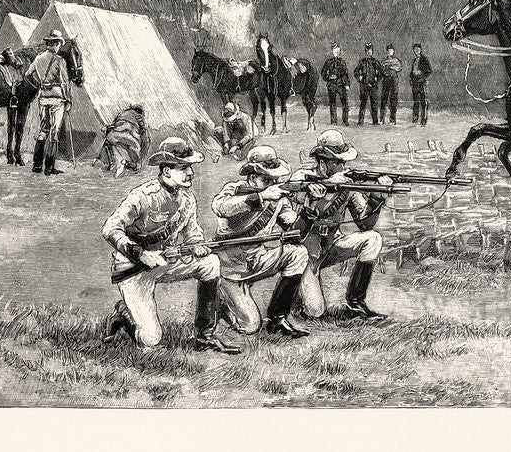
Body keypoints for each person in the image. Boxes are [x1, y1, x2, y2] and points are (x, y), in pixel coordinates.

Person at [99, 137, 241, 354]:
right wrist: (140, 254)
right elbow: (110, 229)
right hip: (134, 268)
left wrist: (196, 244)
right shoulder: (143, 196)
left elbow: (192, 233)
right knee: (150, 340)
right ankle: (123, 314)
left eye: (190, 168)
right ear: (166, 171)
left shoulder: (187, 200)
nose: (191, 173)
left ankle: (205, 336)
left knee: (210, 262)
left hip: (167, 261)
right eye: (184, 168)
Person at [289, 130, 393, 320]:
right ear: (322, 162)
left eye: (342, 162)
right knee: (315, 311)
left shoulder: (347, 184)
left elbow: (365, 224)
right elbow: (297, 201)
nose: (342, 167)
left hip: (331, 243)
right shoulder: (303, 177)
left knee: (373, 239)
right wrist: (328, 185)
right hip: (305, 251)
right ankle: (296, 293)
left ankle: (356, 302)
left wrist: (378, 196)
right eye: (337, 162)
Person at [211, 146, 310, 338]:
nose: (271, 184)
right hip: (232, 268)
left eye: (274, 180)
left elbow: (296, 231)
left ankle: (277, 318)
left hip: (260, 258)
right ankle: (223, 304)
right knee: (250, 326)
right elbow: (221, 207)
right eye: (266, 179)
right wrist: (261, 196)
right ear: (251, 176)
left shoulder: (279, 198)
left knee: (298, 253)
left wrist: (311, 205)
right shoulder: (233, 190)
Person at [24, 29, 72, 175]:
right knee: (54, 133)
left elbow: (27, 75)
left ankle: (37, 166)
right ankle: (49, 168)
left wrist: (41, 84)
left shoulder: (38, 58)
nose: (59, 47)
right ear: (56, 44)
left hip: (43, 98)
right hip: (57, 99)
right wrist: (68, 99)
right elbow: (64, 82)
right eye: (59, 44)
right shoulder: (59, 61)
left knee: (43, 131)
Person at [97, 105, 150, 178]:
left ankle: (111, 165)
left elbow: (112, 126)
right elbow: (145, 138)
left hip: (113, 136)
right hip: (130, 140)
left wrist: (106, 130)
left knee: (114, 151)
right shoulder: (140, 118)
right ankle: (125, 164)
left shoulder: (122, 114)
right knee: (136, 164)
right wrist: (141, 159)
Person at [354, 42, 384, 125]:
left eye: (370, 51)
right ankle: (360, 122)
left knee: (374, 104)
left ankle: (375, 122)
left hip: (373, 86)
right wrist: (359, 78)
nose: (369, 52)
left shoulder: (375, 62)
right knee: (363, 104)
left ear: (372, 52)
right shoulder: (362, 62)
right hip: (364, 86)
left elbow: (381, 72)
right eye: (367, 51)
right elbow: (355, 72)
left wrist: (376, 78)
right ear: (365, 52)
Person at [321, 42, 350, 126]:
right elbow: (323, 73)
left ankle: (345, 120)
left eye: (338, 51)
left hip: (341, 85)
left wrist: (347, 84)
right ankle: (334, 121)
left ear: (340, 52)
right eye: (335, 51)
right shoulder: (328, 62)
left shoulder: (342, 62)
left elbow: (346, 74)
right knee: (332, 104)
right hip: (332, 85)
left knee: (345, 103)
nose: (337, 52)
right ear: (332, 51)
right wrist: (329, 77)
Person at [409, 43, 432, 126]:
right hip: (415, 83)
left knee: (423, 102)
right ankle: (415, 119)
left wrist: (422, 75)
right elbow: (412, 72)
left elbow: (429, 71)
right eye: (415, 49)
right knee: (416, 102)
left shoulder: (424, 59)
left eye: (418, 49)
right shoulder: (414, 60)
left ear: (420, 50)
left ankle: (424, 120)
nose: (416, 51)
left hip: (422, 83)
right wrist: (411, 79)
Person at [379, 43, 403, 125]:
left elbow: (399, 68)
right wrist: (386, 71)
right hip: (386, 82)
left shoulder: (396, 61)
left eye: (391, 51)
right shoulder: (383, 61)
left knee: (393, 100)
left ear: (393, 52)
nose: (390, 52)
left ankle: (393, 120)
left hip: (394, 82)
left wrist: (391, 67)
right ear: (387, 52)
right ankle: (382, 118)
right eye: (388, 51)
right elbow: (381, 71)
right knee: (384, 100)